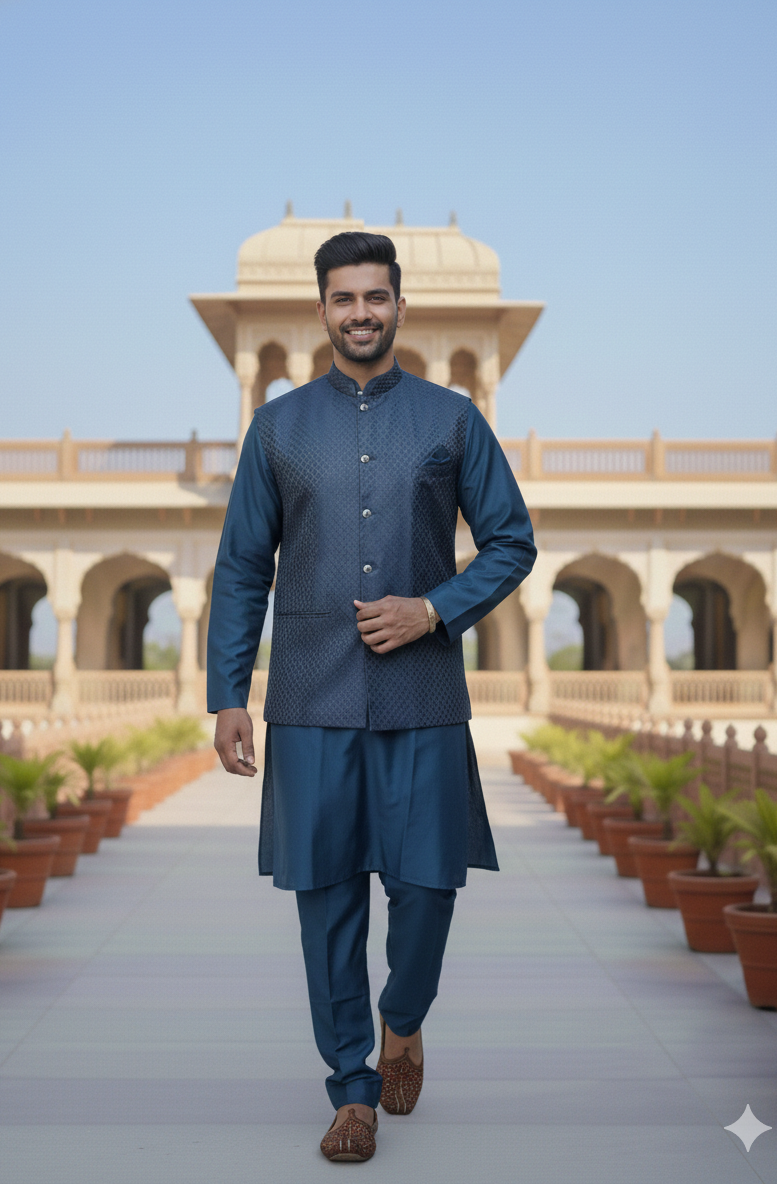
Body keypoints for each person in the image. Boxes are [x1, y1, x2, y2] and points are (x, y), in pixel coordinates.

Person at [208, 230, 535, 1162]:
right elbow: (243, 567)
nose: (361, 312)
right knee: (326, 900)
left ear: (399, 306)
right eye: (344, 298)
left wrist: (433, 609)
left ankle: (404, 1017)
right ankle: (351, 1090)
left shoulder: (452, 421)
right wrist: (228, 694)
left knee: (428, 886)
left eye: (375, 297)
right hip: (309, 696)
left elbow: (511, 542)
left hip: (421, 694)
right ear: (323, 309)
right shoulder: (276, 429)